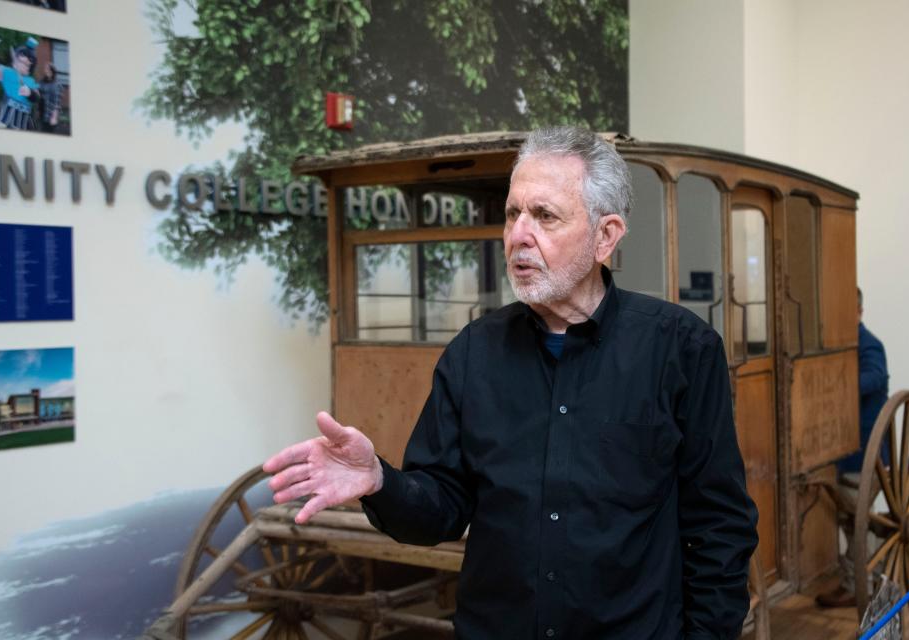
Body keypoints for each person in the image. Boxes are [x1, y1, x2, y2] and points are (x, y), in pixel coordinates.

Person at [264, 126, 759, 639]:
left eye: (544, 216)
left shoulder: (681, 350)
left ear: (605, 237)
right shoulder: (473, 352)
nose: (518, 234)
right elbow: (441, 511)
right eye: (512, 214)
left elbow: (719, 526)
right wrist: (381, 482)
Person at [815, 287, 889, 608]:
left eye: (847, 312)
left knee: (862, 522)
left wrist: (837, 382)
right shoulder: (838, 346)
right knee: (850, 520)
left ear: (859, 312)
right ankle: (858, 583)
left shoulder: (869, 344)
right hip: (843, 452)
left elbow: (874, 378)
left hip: (865, 454)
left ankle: (863, 586)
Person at [0, 37, 41, 130]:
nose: (25, 62)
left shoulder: (31, 81)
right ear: (15, 61)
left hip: (23, 122)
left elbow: (37, 97)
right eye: (21, 60)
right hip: (6, 117)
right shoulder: (7, 72)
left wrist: (30, 92)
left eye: (27, 63)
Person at [38, 62, 62, 134]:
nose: (46, 71)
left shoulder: (57, 84)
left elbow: (57, 103)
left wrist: (54, 117)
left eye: (48, 69)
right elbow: (38, 93)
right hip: (42, 113)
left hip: (50, 114)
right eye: (45, 69)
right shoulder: (42, 82)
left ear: (52, 71)